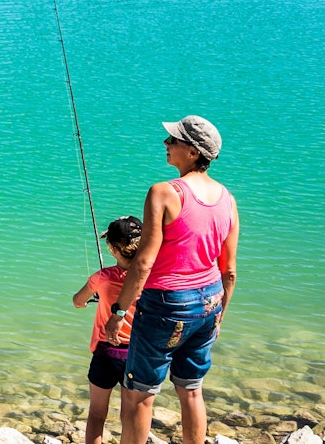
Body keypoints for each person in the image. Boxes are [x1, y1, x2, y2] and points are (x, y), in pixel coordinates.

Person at [104, 116, 239, 444]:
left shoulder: (163, 192)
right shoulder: (228, 199)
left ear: (193, 152)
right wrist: (219, 316)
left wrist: (118, 312)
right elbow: (229, 271)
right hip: (210, 302)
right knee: (191, 390)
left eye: (173, 140)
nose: (166, 143)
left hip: (168, 304)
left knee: (139, 395)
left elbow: (144, 262)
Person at [72, 216, 144, 444]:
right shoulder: (149, 278)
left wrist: (87, 300)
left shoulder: (102, 277)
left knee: (96, 414)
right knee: (130, 415)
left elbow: (77, 301)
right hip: (137, 354)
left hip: (106, 353)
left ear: (112, 250)